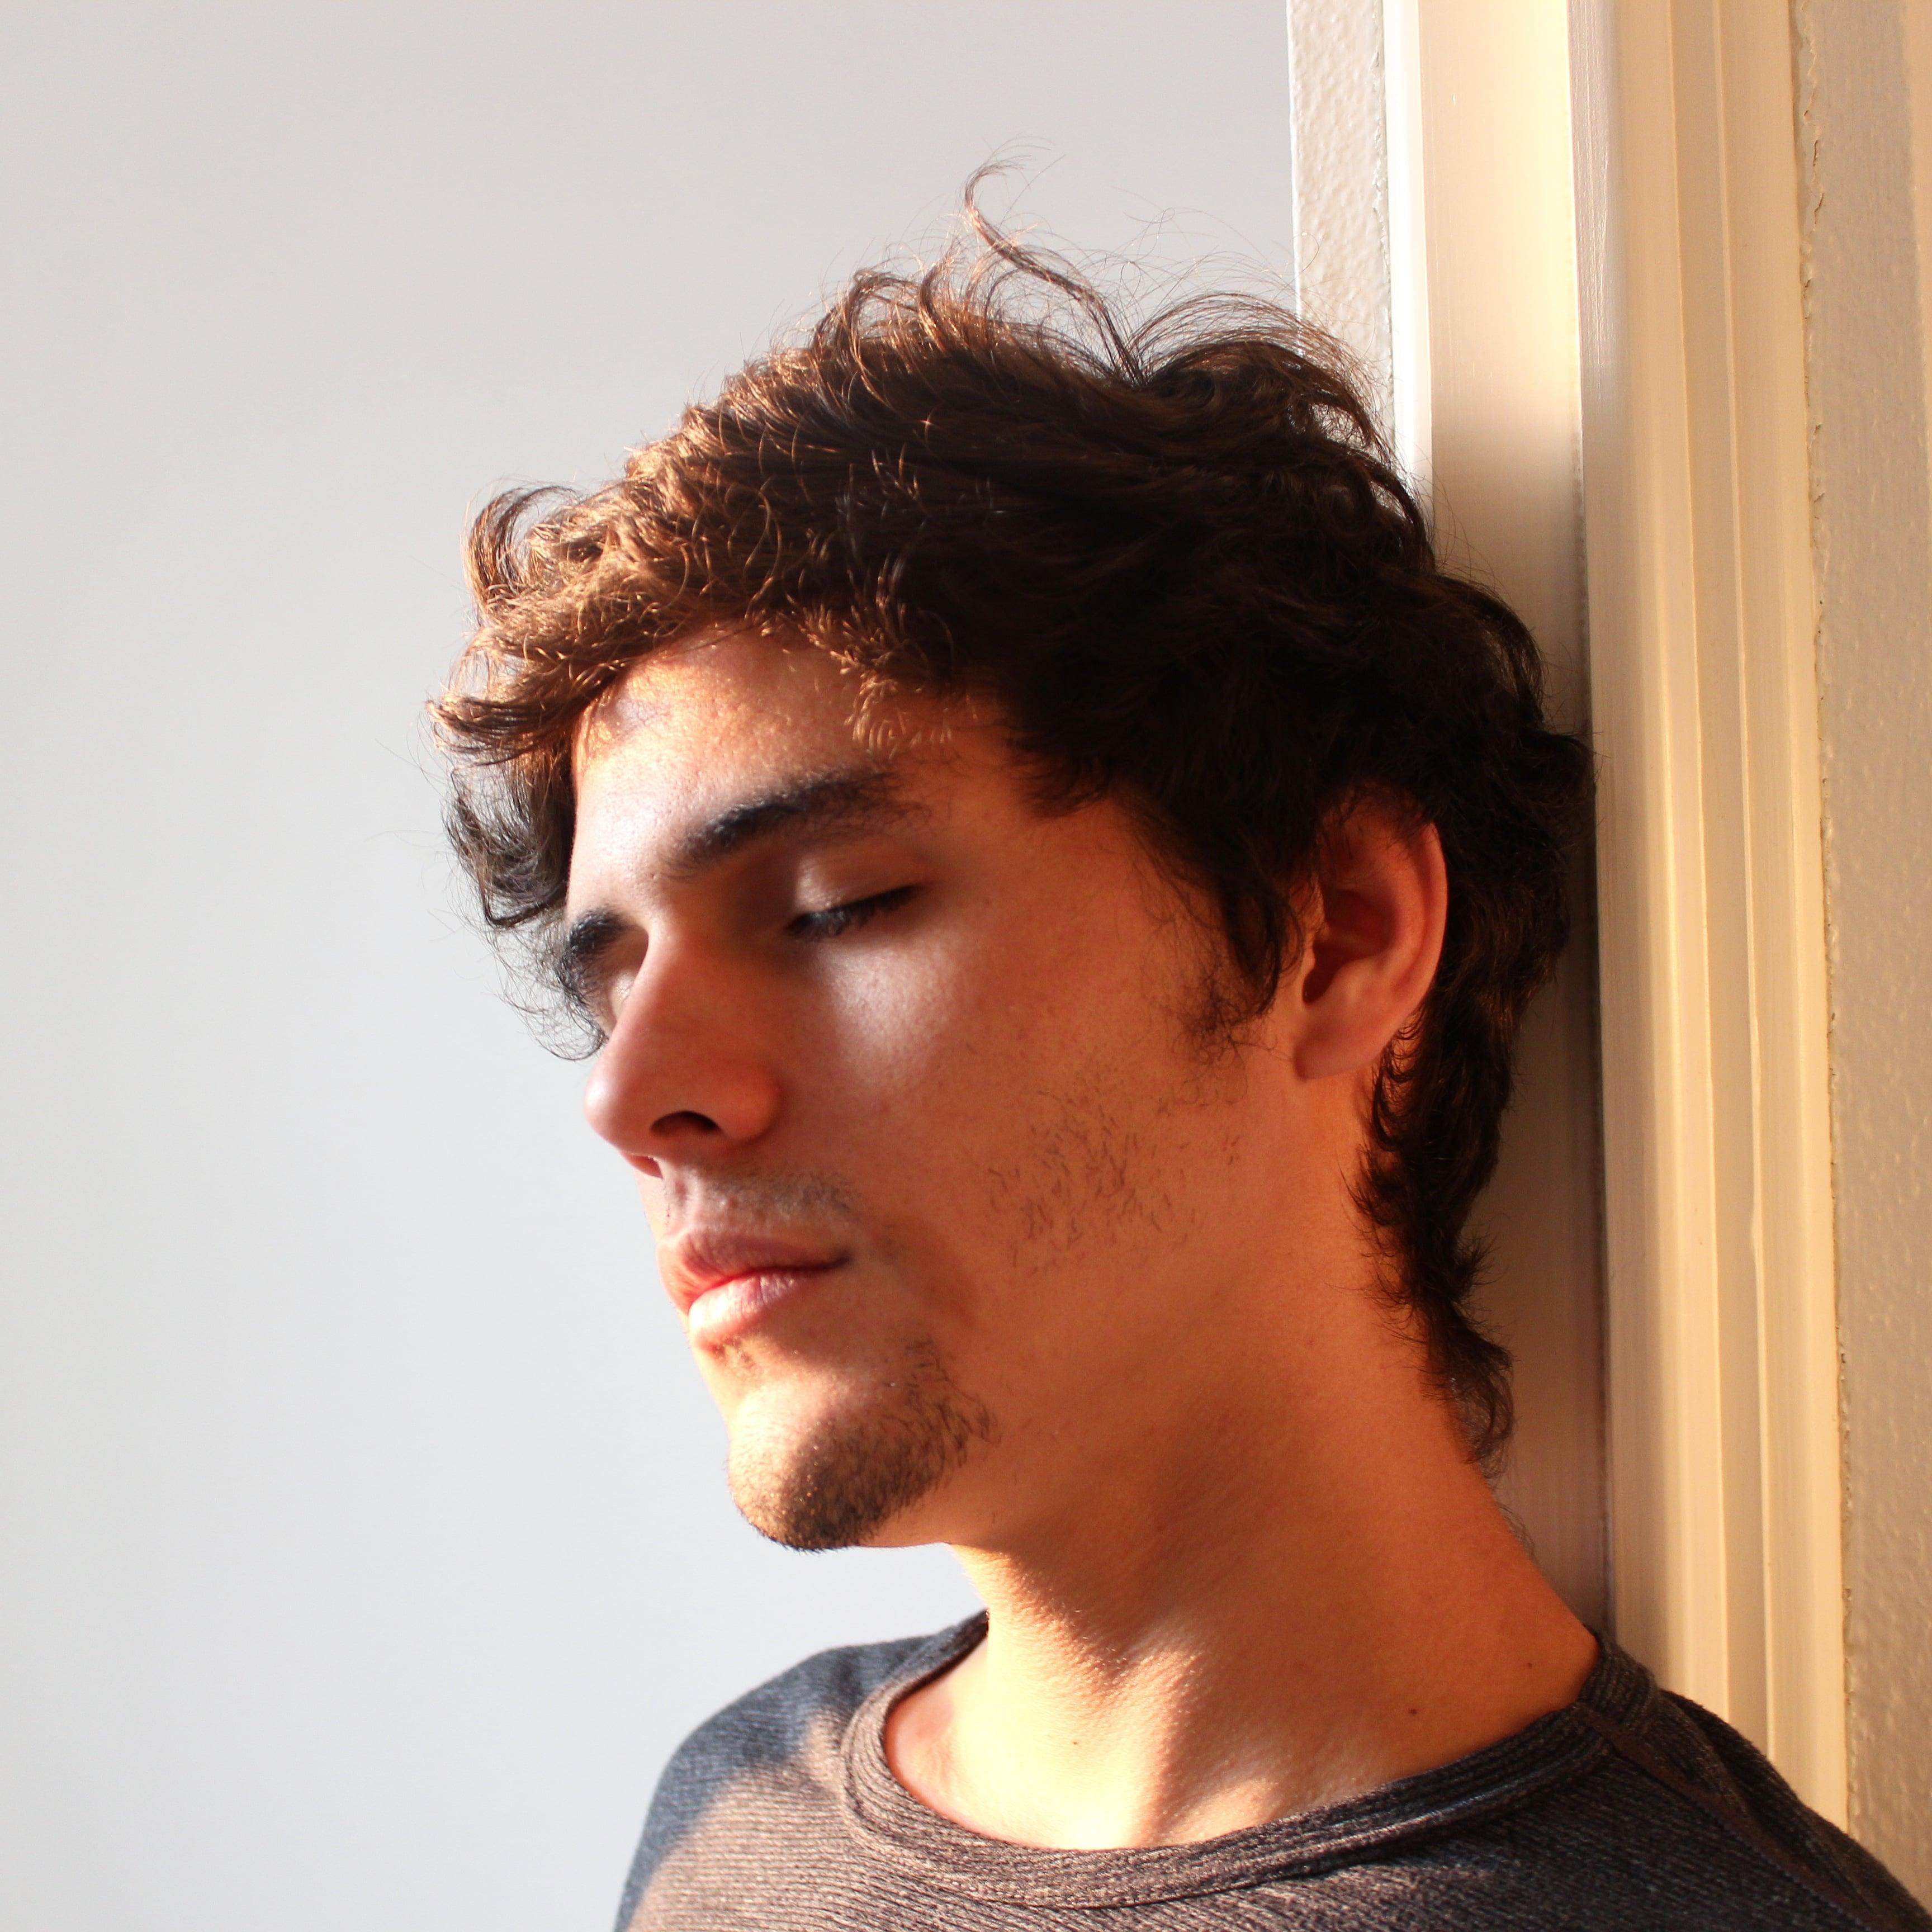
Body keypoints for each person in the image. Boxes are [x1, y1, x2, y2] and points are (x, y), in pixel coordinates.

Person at [433, 216, 1928, 1930]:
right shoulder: (733, 1839)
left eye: (837, 907)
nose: (630, 1100)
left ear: (1337, 934)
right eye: (615, 980)